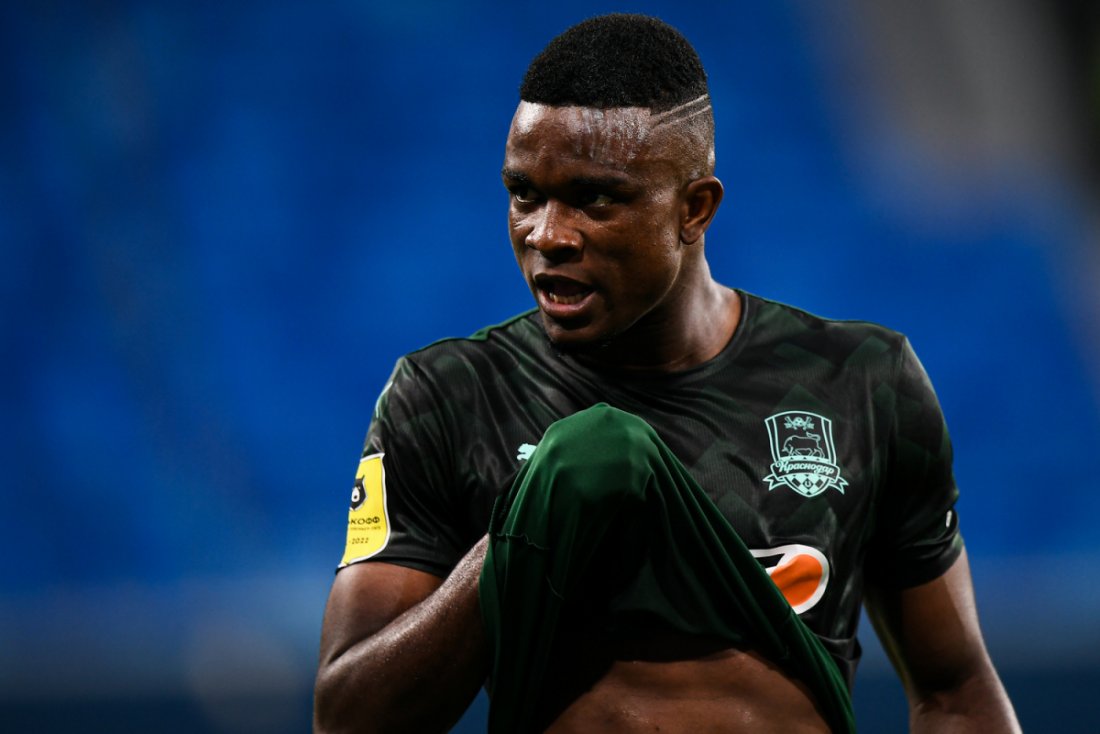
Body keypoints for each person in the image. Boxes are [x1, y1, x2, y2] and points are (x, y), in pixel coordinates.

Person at [314, 13, 1020, 734]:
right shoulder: (448, 397)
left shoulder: (863, 383)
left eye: (595, 198)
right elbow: (346, 719)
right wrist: (525, 530)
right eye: (524, 193)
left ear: (694, 209)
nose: (547, 235)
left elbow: (955, 692)